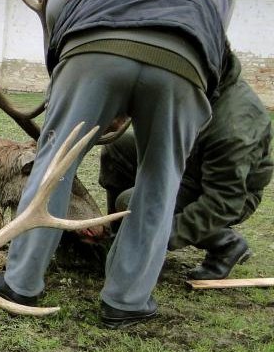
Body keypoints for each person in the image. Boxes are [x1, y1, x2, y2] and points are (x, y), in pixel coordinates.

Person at [0, 0, 244, 328]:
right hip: (184, 61)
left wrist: (67, 69)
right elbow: (219, 30)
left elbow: (56, 5)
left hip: (93, 45)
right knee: (161, 180)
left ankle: (21, 282)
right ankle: (126, 302)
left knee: (55, 162)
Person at [100, 51, 272, 281]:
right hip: (188, 162)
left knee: (131, 203)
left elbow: (224, 202)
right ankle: (116, 236)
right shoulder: (198, 83)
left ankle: (226, 244)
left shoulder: (233, 127)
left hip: (227, 194)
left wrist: (160, 237)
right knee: (118, 147)